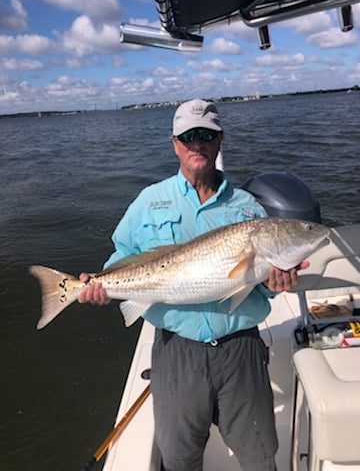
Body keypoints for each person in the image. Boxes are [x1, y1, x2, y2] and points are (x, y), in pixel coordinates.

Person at [78, 99, 308, 471]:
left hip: (241, 351)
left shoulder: (248, 210)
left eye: (206, 135)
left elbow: (259, 286)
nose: (197, 143)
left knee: (260, 454)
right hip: (176, 353)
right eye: (188, 136)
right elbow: (121, 256)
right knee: (179, 459)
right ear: (175, 144)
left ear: (219, 142)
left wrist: (277, 282)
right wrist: (97, 285)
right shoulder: (149, 202)